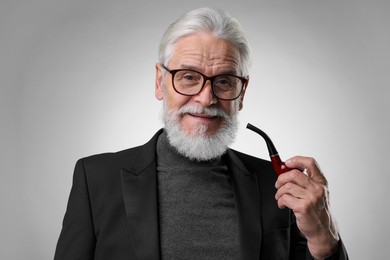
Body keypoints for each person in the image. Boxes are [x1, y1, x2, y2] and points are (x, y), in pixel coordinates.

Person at [54, 7, 348, 260]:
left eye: (224, 81)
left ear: (242, 92)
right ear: (160, 82)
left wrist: (325, 241)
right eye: (189, 77)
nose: (206, 99)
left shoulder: (280, 188)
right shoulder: (95, 180)